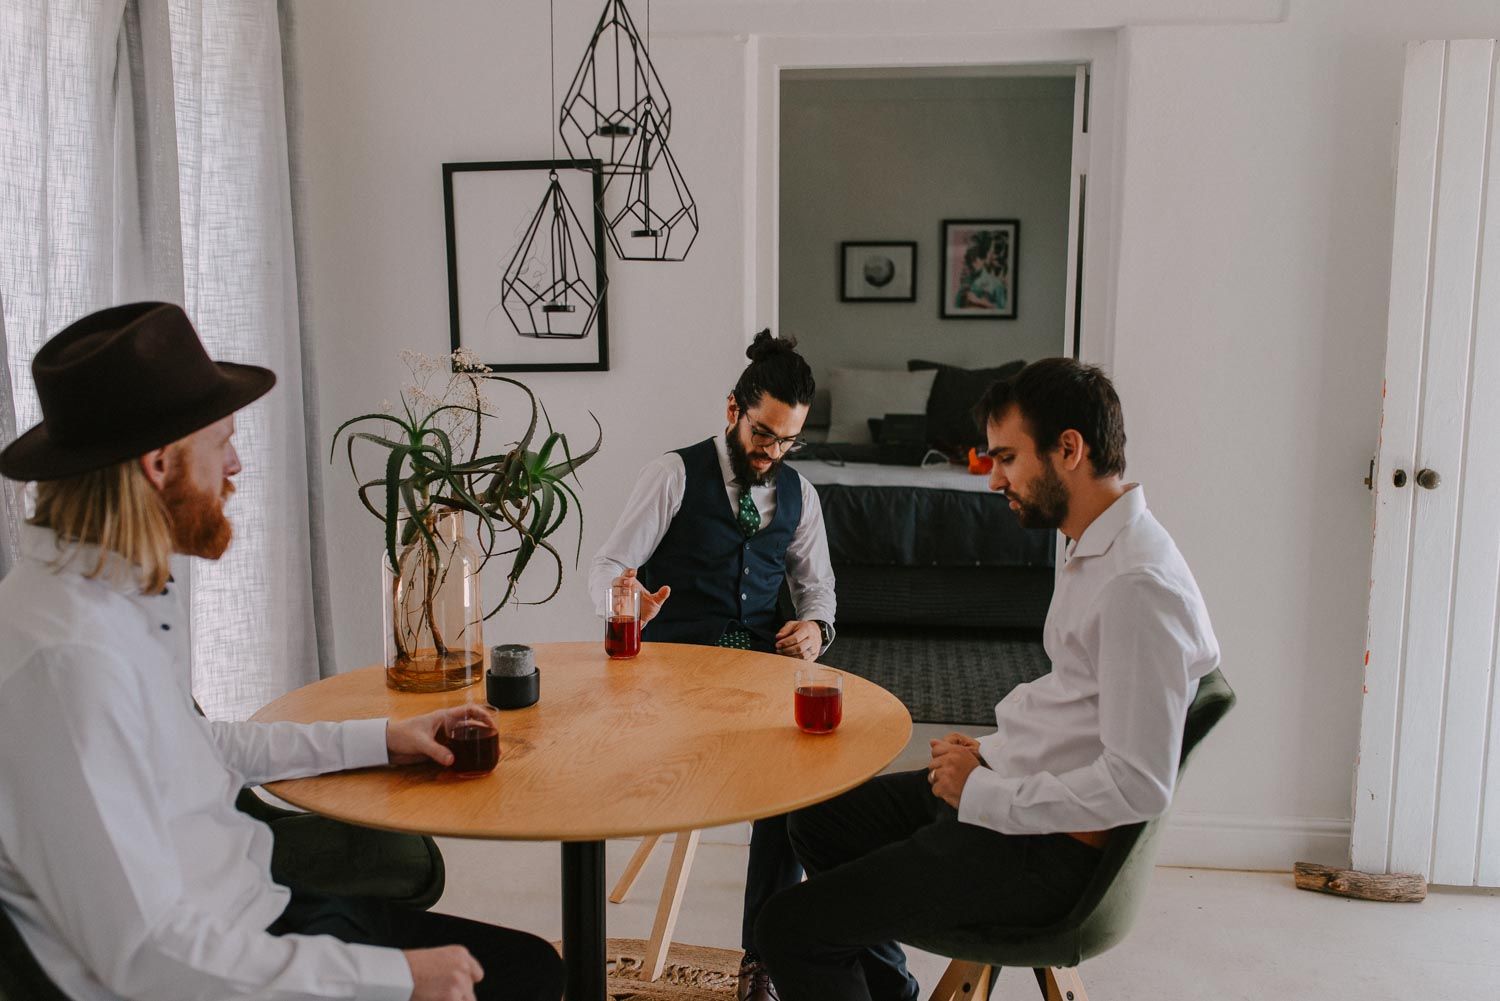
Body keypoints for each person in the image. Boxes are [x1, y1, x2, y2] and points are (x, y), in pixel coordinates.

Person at [0, 302, 564, 1001]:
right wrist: (395, 977)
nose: (235, 465)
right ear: (159, 464)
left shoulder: (115, 594)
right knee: (522, 978)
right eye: (222, 443)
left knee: (532, 966)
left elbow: (190, 746)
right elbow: (148, 955)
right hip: (216, 969)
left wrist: (387, 737)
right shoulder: (66, 662)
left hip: (255, 912)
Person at [754, 357, 1220, 1001]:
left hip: (1042, 855)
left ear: (1069, 450)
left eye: (1007, 458)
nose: (994, 478)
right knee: (815, 823)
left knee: (787, 928)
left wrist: (983, 791)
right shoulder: (1096, 546)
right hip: (1017, 798)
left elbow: (1137, 785)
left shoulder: (1138, 588)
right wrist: (996, 753)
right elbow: (1079, 708)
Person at [589, 329, 837, 1001]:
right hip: (672, 684)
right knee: (785, 772)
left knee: (797, 780)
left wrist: (814, 630)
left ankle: (763, 961)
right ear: (733, 410)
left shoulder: (801, 497)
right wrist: (626, 604)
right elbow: (609, 564)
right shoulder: (673, 475)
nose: (772, 452)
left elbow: (818, 591)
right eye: (763, 434)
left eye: (788, 441)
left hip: (758, 680)